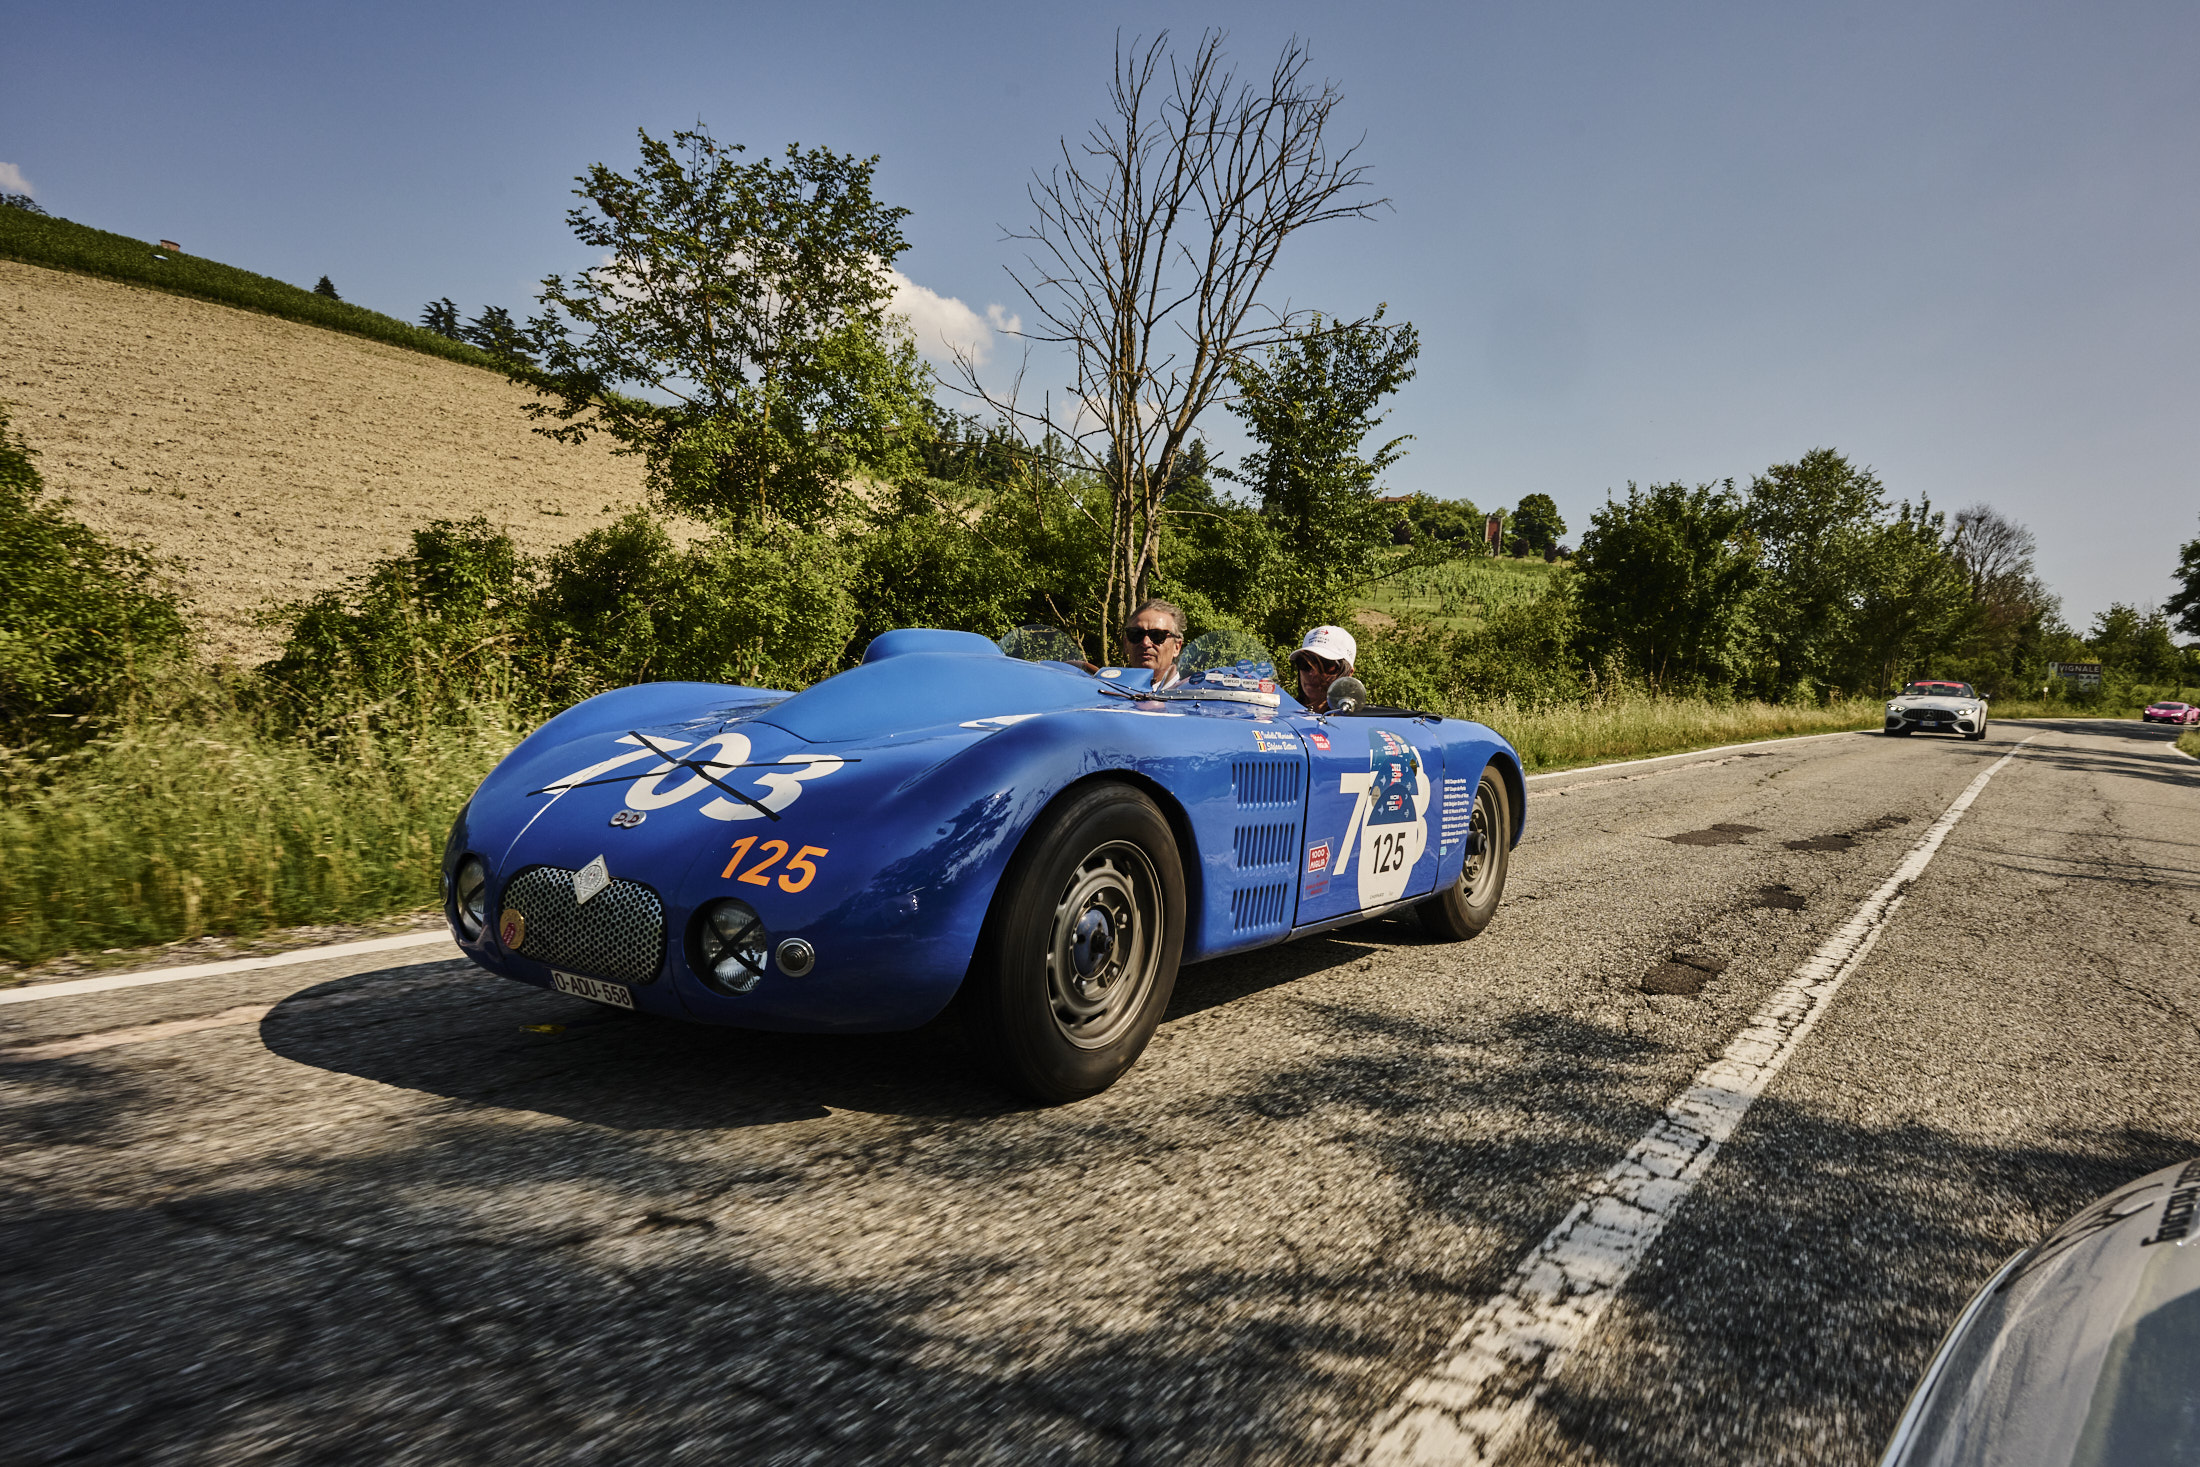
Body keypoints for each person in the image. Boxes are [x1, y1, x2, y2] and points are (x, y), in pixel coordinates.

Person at [1118, 598, 1186, 690]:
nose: (1145, 643)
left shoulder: (1195, 697)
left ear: (1177, 647)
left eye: (1157, 635)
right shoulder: (1107, 695)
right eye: (1136, 634)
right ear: (1126, 644)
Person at [1290, 625, 1357, 710]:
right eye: (1305, 663)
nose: (1312, 673)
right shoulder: (1279, 716)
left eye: (1325, 664)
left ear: (1349, 673)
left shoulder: (1355, 722)